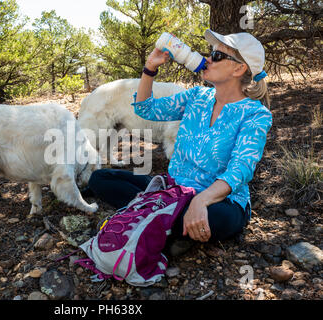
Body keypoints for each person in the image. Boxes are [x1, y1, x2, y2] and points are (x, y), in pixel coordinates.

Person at [83, 29, 273, 255]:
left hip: (219, 201)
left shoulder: (255, 115)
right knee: (100, 178)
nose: (208, 59)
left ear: (239, 68)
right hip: (175, 189)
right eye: (211, 52)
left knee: (219, 219)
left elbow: (240, 170)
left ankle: (154, 214)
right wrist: (150, 68)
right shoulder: (196, 97)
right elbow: (146, 109)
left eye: (218, 56)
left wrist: (201, 201)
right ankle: (168, 221)